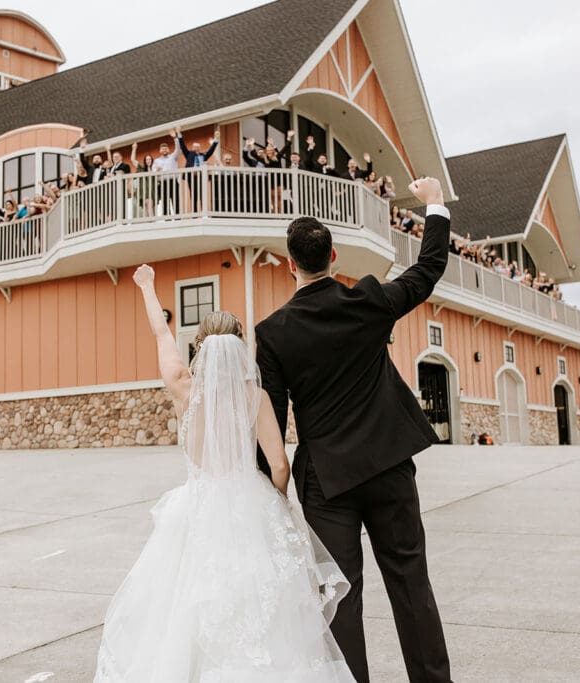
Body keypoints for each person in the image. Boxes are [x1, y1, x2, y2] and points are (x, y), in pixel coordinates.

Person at [95, 265, 355, 682]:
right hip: (249, 505)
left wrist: (147, 287)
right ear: (238, 347)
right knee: (260, 609)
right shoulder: (255, 397)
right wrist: (280, 500)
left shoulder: (183, 388)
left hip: (195, 506)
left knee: (184, 605)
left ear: (200, 346)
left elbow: (162, 335)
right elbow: (279, 464)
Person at [255, 176, 453, 682]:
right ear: (334, 258)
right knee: (412, 583)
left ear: (290, 264)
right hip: (389, 467)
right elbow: (427, 270)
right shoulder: (369, 302)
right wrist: (434, 205)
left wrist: (267, 482)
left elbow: (272, 417)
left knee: (341, 597)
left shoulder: (272, 334)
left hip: (327, 483)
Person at [178, 130, 219, 211]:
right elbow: (183, 146)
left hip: (201, 177)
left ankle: (203, 212)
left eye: (198, 147)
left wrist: (216, 139)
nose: (196, 148)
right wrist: (179, 136)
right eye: (195, 147)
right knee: (193, 195)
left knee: (202, 195)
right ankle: (195, 213)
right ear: (192, 148)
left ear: (200, 148)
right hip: (191, 177)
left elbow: (211, 150)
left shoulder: (203, 155)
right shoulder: (189, 154)